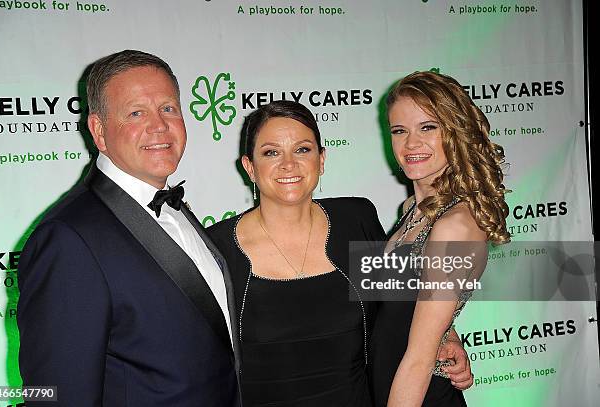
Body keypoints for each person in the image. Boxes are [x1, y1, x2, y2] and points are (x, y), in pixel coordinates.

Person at [208, 100, 472, 407]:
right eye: (271, 152)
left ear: (321, 160)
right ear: (250, 167)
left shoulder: (355, 219)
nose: (289, 163)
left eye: (303, 149)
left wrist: (446, 335)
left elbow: (401, 295)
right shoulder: (217, 249)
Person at [16, 50, 240, 406]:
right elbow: (57, 398)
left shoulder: (173, 204)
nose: (159, 125)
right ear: (99, 131)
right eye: (136, 113)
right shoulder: (68, 239)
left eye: (168, 108)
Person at [370, 71, 510, 407]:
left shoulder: (454, 226)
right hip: (389, 383)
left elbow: (418, 360)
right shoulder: (411, 209)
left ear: (455, 131)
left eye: (428, 127)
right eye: (399, 131)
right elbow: (413, 310)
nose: (410, 144)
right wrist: (449, 336)